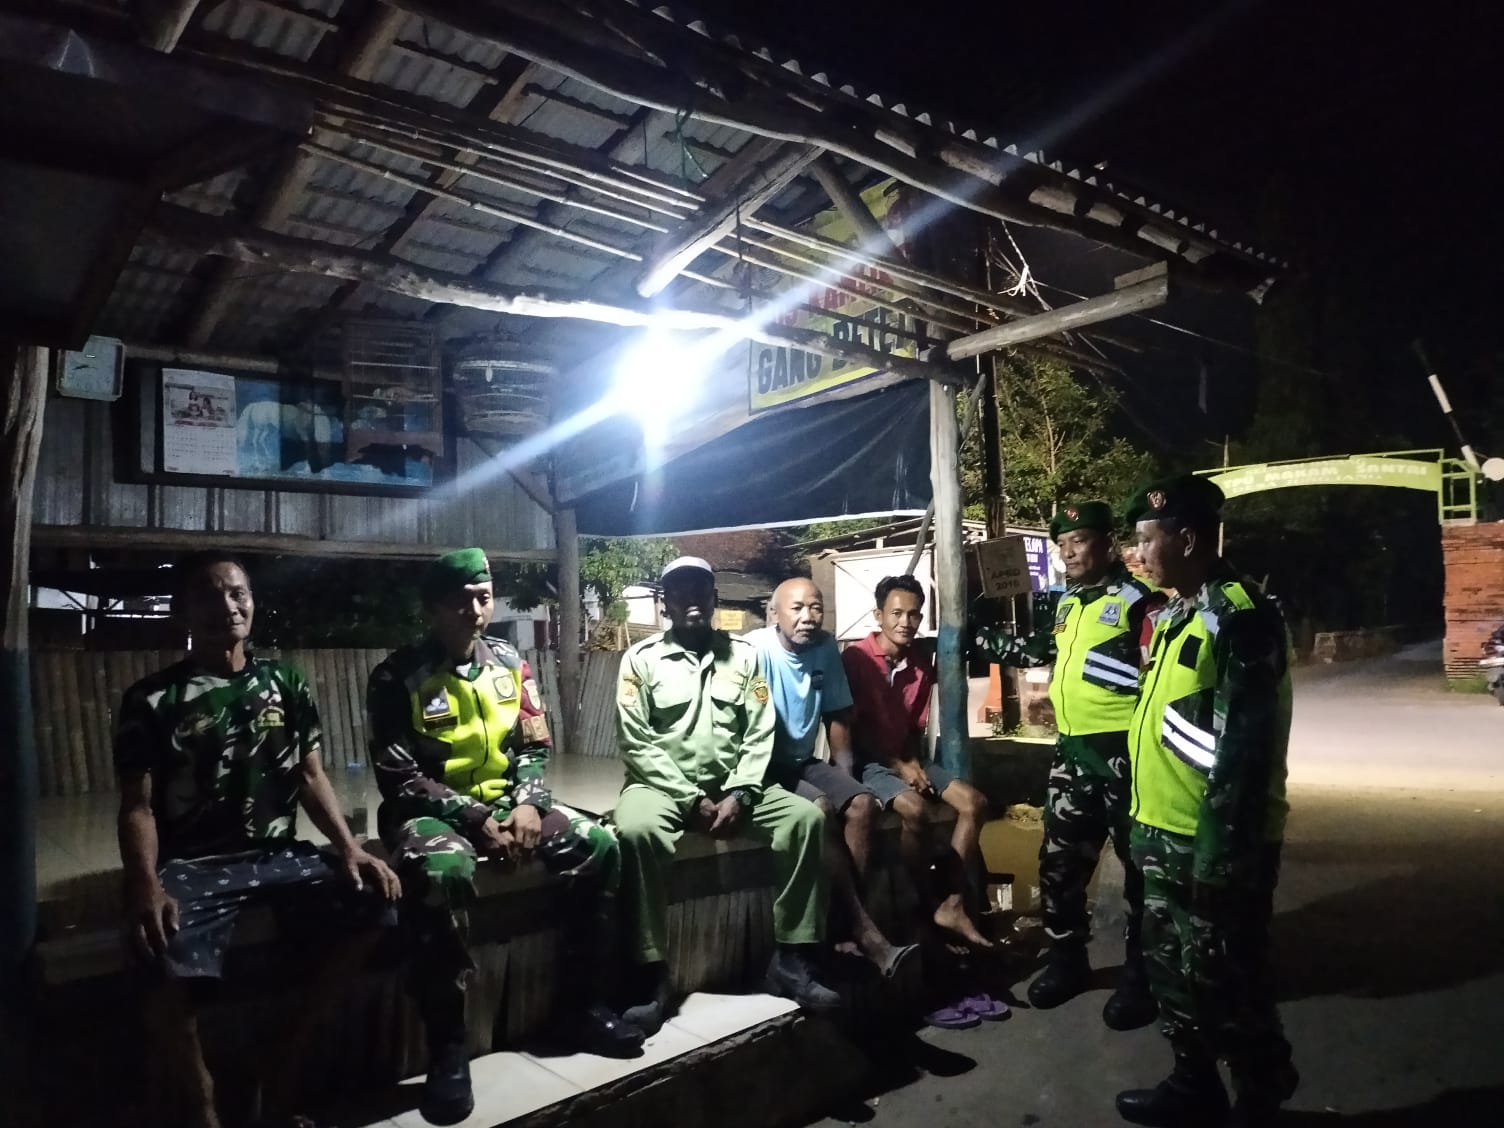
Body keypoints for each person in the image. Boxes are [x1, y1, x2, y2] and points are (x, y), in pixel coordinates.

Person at [115, 551, 401, 1128]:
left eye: (237, 593)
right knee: (156, 952)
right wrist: (144, 884)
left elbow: (310, 775)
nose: (227, 605)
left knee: (376, 901)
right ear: (183, 611)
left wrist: (350, 847)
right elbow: (137, 807)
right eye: (209, 595)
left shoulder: (284, 682)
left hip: (278, 856)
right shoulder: (151, 700)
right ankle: (203, 1101)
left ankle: (285, 1056)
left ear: (252, 602)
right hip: (195, 865)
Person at [367, 548, 642, 1126]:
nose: (474, 610)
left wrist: (528, 805)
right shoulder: (397, 677)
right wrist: (472, 817)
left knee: (599, 843)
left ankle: (581, 1006)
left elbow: (534, 746)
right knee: (439, 871)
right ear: (432, 607)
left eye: (483, 597)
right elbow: (398, 775)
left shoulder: (511, 664)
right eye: (460, 599)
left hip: (505, 804)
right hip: (431, 813)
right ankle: (448, 1048)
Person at [1115, 476, 1297, 1128]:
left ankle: (1261, 1093)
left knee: (1229, 976)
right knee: (1171, 970)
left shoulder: (1240, 616)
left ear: (1187, 539)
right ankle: (1193, 1082)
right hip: (1160, 830)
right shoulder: (1178, 613)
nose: (1137, 553)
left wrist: (1219, 857)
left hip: (1212, 839)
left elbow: (1245, 752)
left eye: (1146, 539)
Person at [614, 557, 838, 1032]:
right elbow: (636, 742)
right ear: (665, 603)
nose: (691, 598)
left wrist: (741, 791)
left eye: (701, 588)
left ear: (715, 598)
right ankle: (650, 972)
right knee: (636, 831)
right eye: (679, 590)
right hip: (661, 787)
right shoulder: (640, 660)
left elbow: (759, 732)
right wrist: (688, 798)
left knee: (805, 820)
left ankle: (791, 958)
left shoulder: (743, 656)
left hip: (734, 786)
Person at [1026, 501, 1162, 1031]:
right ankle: (1067, 961)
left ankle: (1141, 975)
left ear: (1108, 545)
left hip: (1124, 757)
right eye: (1061, 544)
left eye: (1078, 540)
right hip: (1072, 754)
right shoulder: (1067, 603)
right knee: (1059, 866)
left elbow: (1152, 678)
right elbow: (1054, 657)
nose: (1068, 552)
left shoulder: (1140, 602)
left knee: (1139, 872)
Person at [747, 577, 917, 978]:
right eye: (797, 608)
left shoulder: (825, 648)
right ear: (774, 613)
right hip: (762, 763)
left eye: (816, 607)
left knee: (862, 804)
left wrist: (846, 777)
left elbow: (837, 715)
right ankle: (860, 930)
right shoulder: (755, 650)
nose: (808, 616)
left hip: (802, 760)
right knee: (820, 808)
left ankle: (844, 925)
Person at [840, 574, 992, 951]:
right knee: (916, 811)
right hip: (868, 762)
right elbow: (850, 732)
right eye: (896, 614)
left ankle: (953, 902)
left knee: (974, 803)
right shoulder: (855, 659)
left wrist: (911, 762)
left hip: (904, 756)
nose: (905, 622)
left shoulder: (920, 665)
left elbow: (912, 728)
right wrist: (898, 765)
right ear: (879, 616)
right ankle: (920, 901)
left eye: (914, 615)